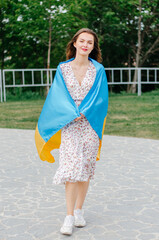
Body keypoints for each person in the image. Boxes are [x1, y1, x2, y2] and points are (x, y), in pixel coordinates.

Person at [35, 28, 108, 236]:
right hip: (69, 124)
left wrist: (85, 112)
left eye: (90, 43)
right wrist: (70, 113)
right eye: (82, 41)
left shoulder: (98, 70)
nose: (85, 45)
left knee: (85, 168)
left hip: (89, 124)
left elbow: (101, 97)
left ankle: (79, 211)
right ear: (74, 43)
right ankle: (68, 217)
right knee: (70, 169)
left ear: (93, 47)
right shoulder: (63, 68)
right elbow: (58, 96)